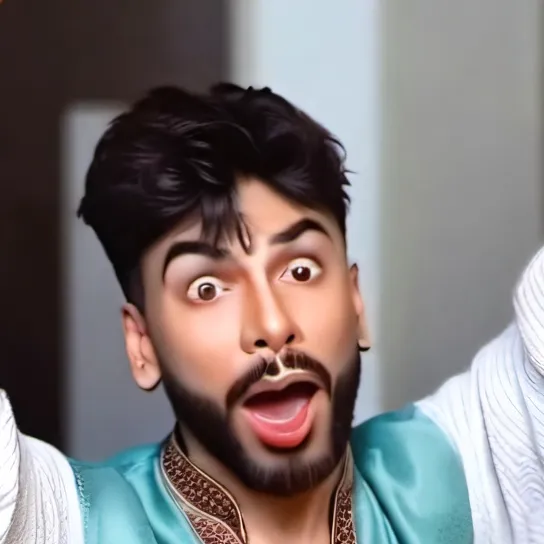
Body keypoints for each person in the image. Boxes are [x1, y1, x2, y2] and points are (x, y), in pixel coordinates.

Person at [0, 84, 543, 544]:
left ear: (355, 303)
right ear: (142, 345)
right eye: (207, 288)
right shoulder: (71, 523)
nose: (272, 325)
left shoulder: (464, 472)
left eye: (300, 271)